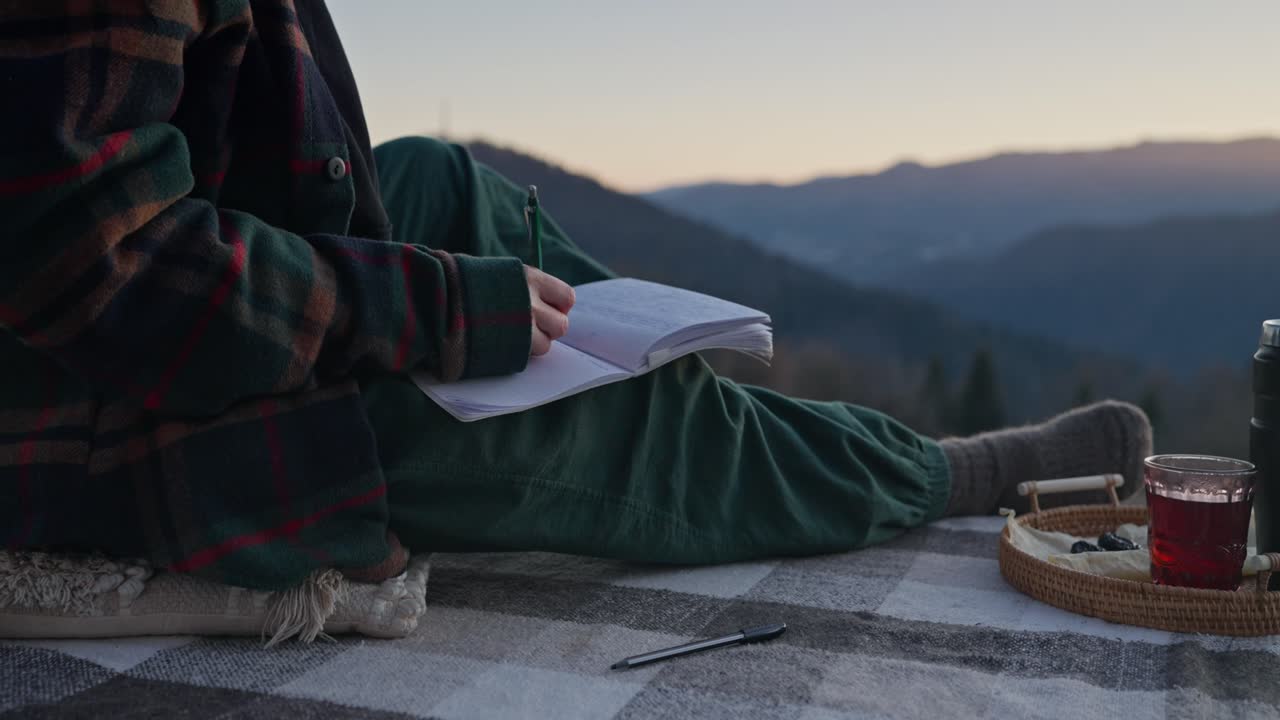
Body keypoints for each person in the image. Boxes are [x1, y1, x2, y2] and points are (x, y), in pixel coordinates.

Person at [0, 1, 1151, 592]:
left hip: (158, 329)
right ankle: (929, 471)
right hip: (93, 430)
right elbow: (102, 270)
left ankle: (642, 364)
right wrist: (430, 310)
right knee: (618, 438)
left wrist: (420, 265)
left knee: (439, 182)